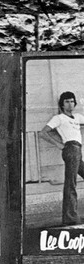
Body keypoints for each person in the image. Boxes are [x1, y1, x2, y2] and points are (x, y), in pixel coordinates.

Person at [40, 91, 84, 226]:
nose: (70, 104)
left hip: (78, 150)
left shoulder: (77, 117)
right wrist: (58, 144)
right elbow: (43, 133)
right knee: (71, 184)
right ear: (62, 104)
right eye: (67, 101)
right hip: (70, 149)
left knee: (72, 183)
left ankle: (72, 215)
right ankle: (70, 218)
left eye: (72, 101)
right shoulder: (59, 118)